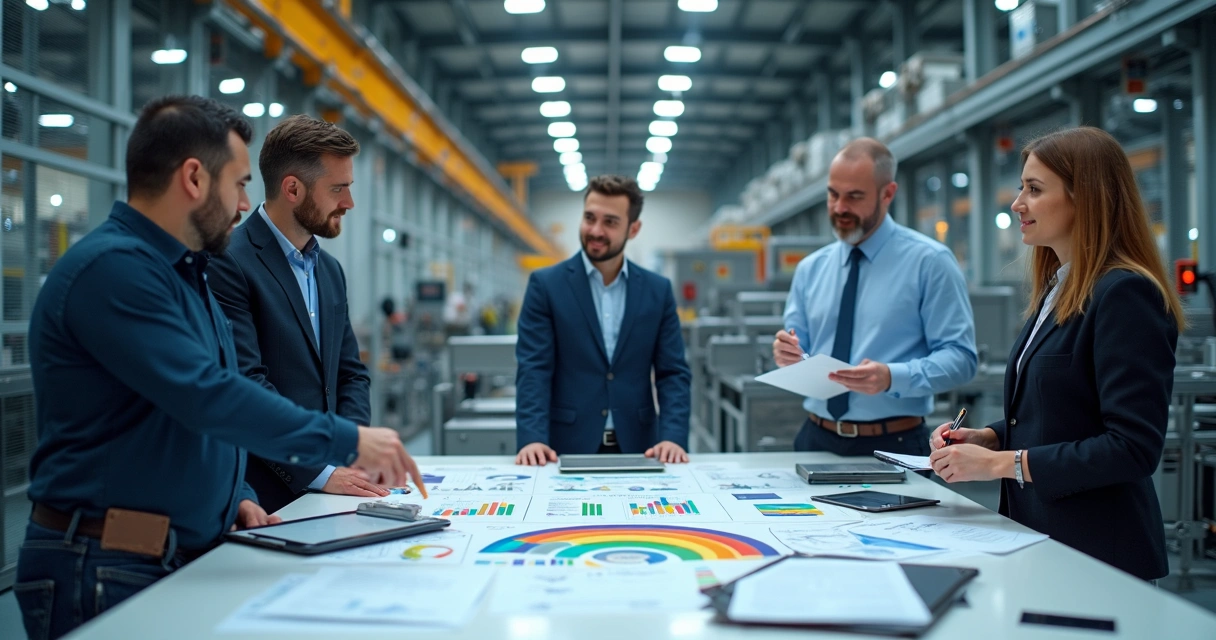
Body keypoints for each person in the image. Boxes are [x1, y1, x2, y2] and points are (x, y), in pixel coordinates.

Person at [15, 96, 424, 640]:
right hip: (104, 561)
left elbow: (197, 406)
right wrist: (345, 439)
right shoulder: (113, 271)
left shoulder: (186, 275)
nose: (244, 202)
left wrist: (234, 497)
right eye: (236, 183)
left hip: (169, 552)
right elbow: (208, 396)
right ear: (193, 179)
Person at [928, 127, 1182, 582]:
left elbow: (1133, 447)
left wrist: (1002, 464)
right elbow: (1063, 411)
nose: (1017, 203)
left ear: (1085, 197)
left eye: (1034, 189)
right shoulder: (1060, 289)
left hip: (1099, 551)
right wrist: (989, 437)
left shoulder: (1126, 293)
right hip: (1043, 538)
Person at [209, 115, 386, 513]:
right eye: (338, 189)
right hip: (268, 497)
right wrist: (319, 471)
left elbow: (349, 373)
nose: (349, 203)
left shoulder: (329, 271)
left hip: (339, 486)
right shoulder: (230, 262)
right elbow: (248, 384)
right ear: (292, 188)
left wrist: (352, 449)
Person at [773, 138, 976, 456]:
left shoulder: (930, 262)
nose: (840, 207)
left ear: (888, 193)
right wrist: (788, 355)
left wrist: (892, 377)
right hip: (815, 438)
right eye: (833, 194)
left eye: (854, 197)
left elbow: (962, 359)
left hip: (894, 444)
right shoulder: (810, 269)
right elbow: (799, 347)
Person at [515, 175, 691, 465]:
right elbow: (534, 369)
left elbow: (673, 373)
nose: (595, 230)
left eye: (610, 222)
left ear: (633, 229)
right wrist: (532, 438)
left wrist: (673, 437)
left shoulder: (657, 291)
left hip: (642, 449)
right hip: (563, 450)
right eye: (589, 218)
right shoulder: (546, 286)